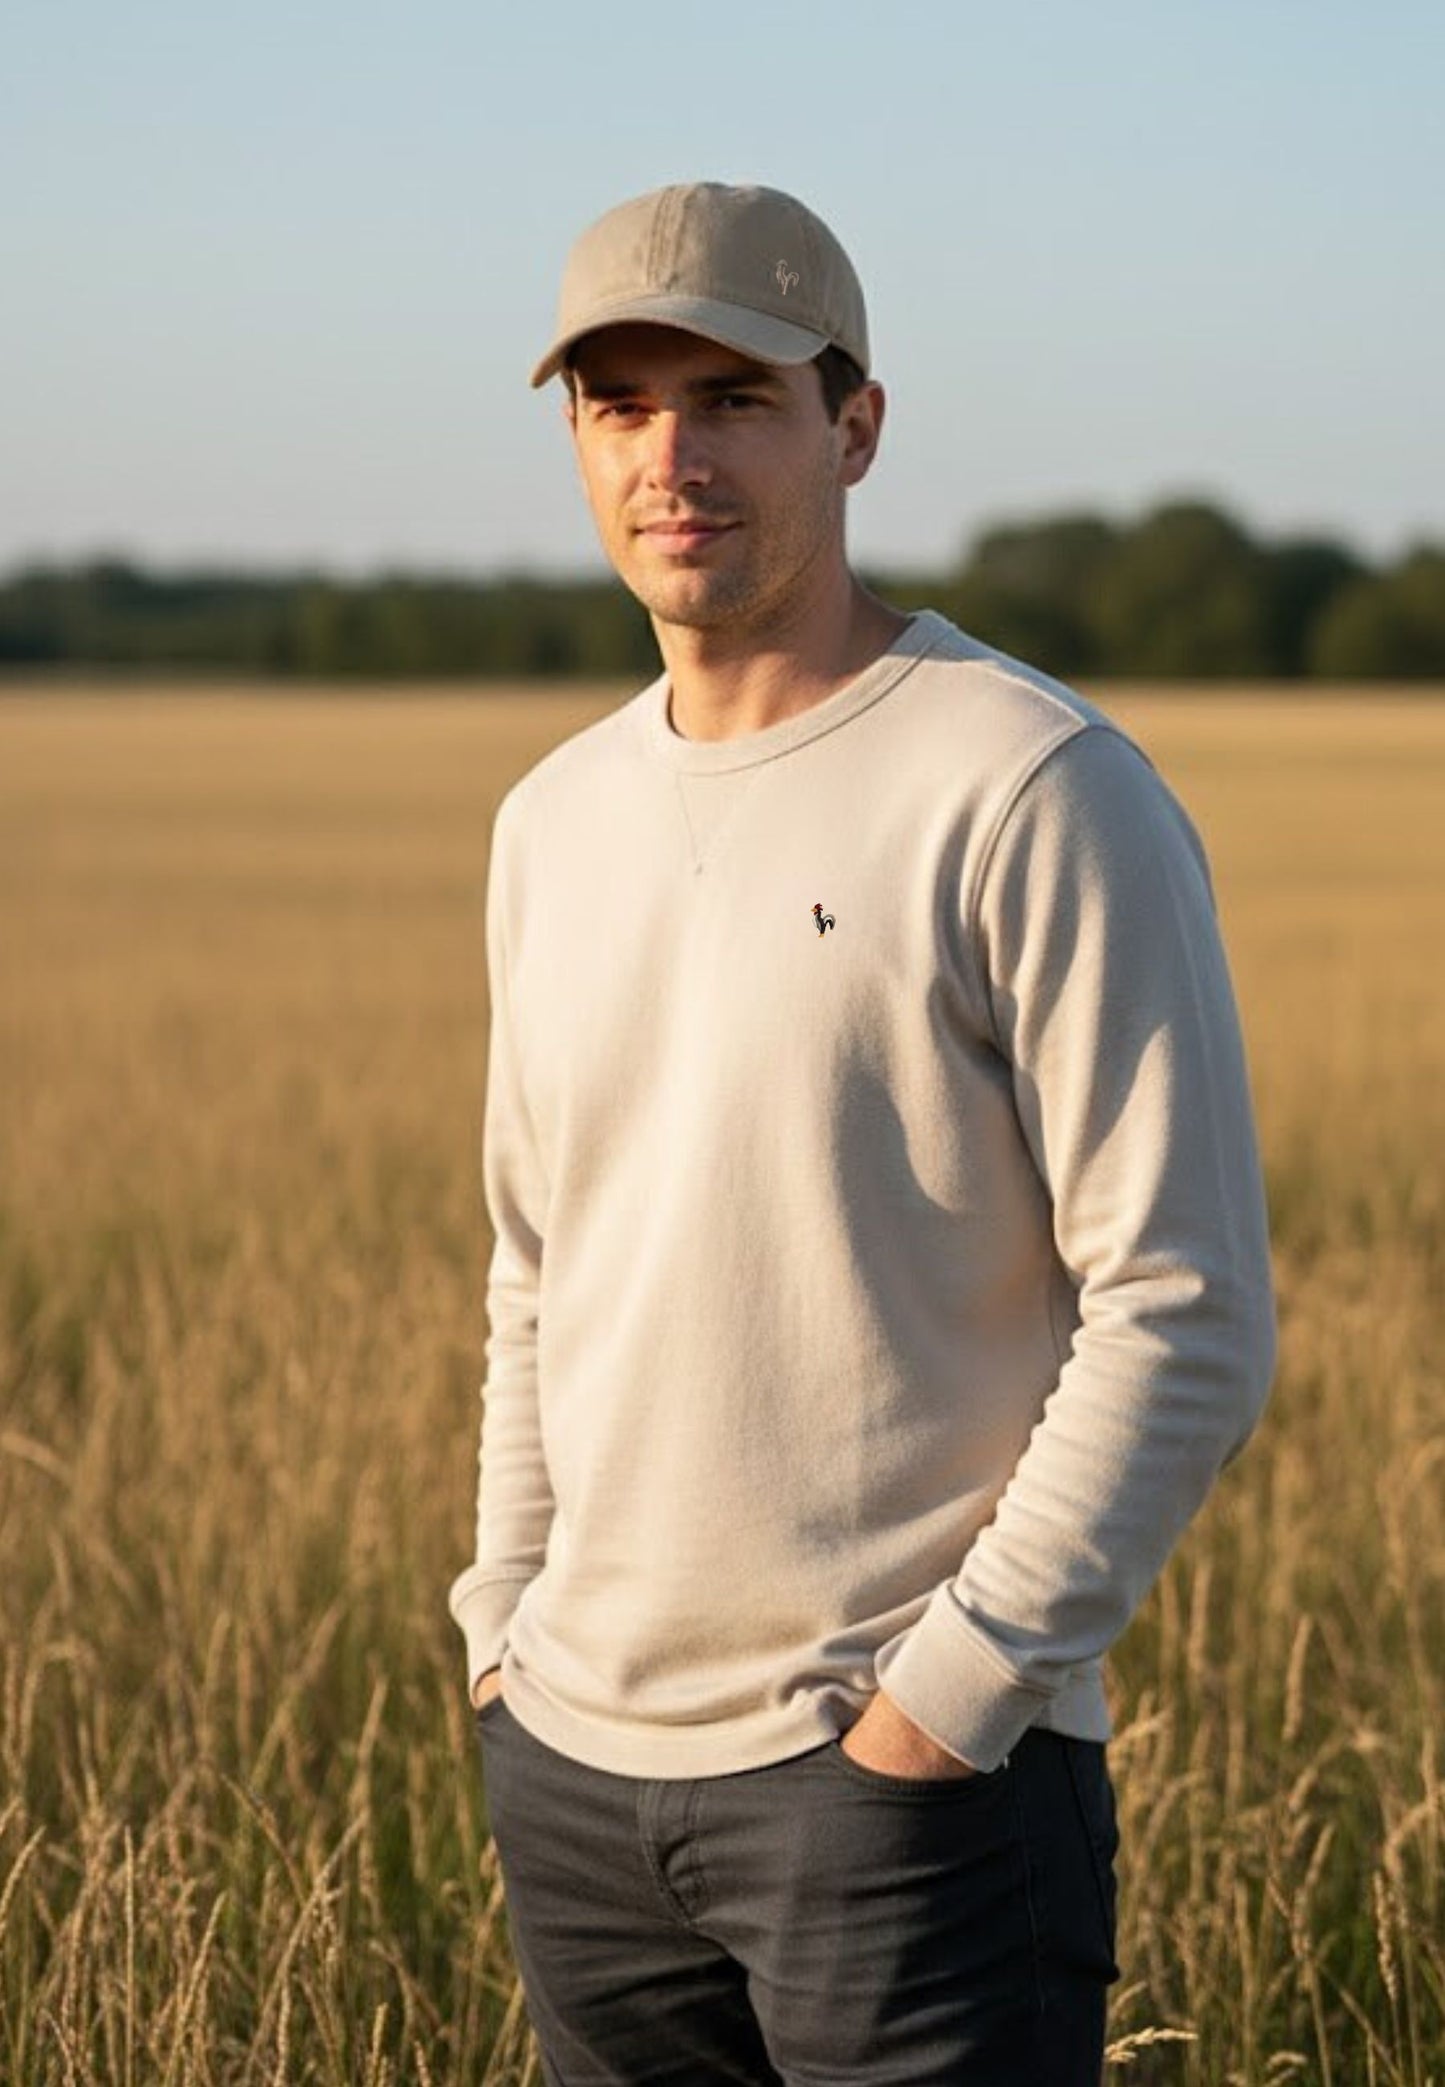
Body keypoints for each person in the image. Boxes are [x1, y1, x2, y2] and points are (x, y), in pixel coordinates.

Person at [449, 179, 1276, 2086]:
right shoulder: (549, 822)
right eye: (617, 402)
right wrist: (507, 1630)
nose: (673, 456)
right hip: (577, 1782)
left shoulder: (1031, 784)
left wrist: (944, 1707)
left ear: (856, 425)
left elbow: (1182, 1306)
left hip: (898, 1805)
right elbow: (535, 1271)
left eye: (732, 394)